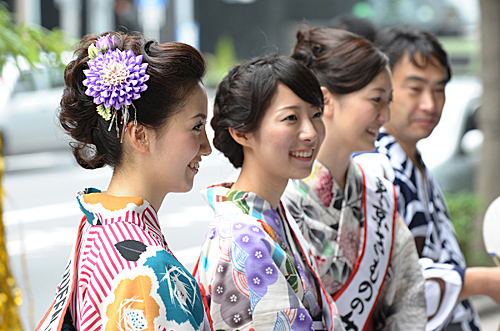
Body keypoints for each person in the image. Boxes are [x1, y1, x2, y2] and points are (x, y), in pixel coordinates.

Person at [36, 31, 213, 331]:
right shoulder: (146, 269)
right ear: (140, 136)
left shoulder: (95, 227)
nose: (206, 146)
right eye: (196, 127)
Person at [354, 27, 500, 330]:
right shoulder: (374, 167)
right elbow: (384, 281)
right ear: (383, 86)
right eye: (415, 88)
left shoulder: (414, 163)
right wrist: (482, 280)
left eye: (439, 89)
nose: (430, 105)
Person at [283, 27, 426, 330]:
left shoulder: (377, 191)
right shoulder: (280, 195)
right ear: (327, 100)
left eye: (389, 101)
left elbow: (409, 295)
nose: (385, 116)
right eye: (376, 99)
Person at [194, 54, 344, 331]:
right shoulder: (244, 239)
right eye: (290, 118)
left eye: (316, 115)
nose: (310, 132)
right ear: (242, 133)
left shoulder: (267, 215)